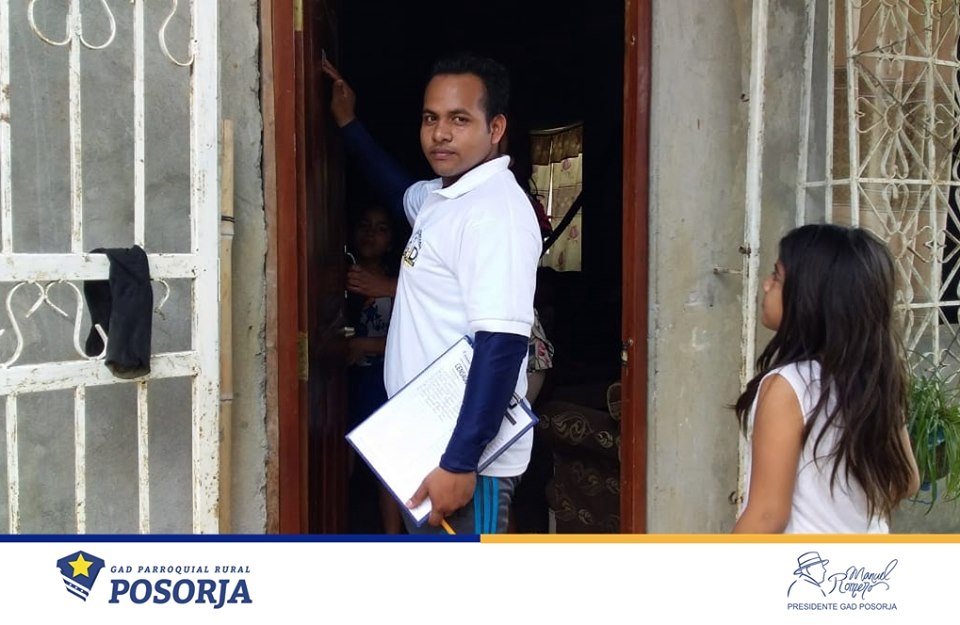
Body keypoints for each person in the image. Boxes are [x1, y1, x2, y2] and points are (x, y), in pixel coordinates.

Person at [324, 53, 542, 534]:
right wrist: (348, 124)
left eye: (459, 119)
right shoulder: (444, 198)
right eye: (431, 118)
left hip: (467, 461)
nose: (440, 133)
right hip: (425, 444)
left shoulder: (495, 213)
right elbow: (397, 188)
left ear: (496, 127)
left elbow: (502, 345)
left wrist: (460, 462)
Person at [732, 223, 920, 533]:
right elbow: (906, 481)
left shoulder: (788, 386)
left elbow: (767, 516)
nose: (766, 285)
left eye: (777, 276)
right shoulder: (873, 377)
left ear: (810, 298)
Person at [344, 202, 404, 535]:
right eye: (365, 225)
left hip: (387, 383)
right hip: (349, 381)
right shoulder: (336, 275)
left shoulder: (402, 283)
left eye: (381, 229)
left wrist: (362, 345)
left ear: (392, 239)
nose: (371, 234)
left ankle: (392, 538)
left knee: (389, 464)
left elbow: (410, 338)